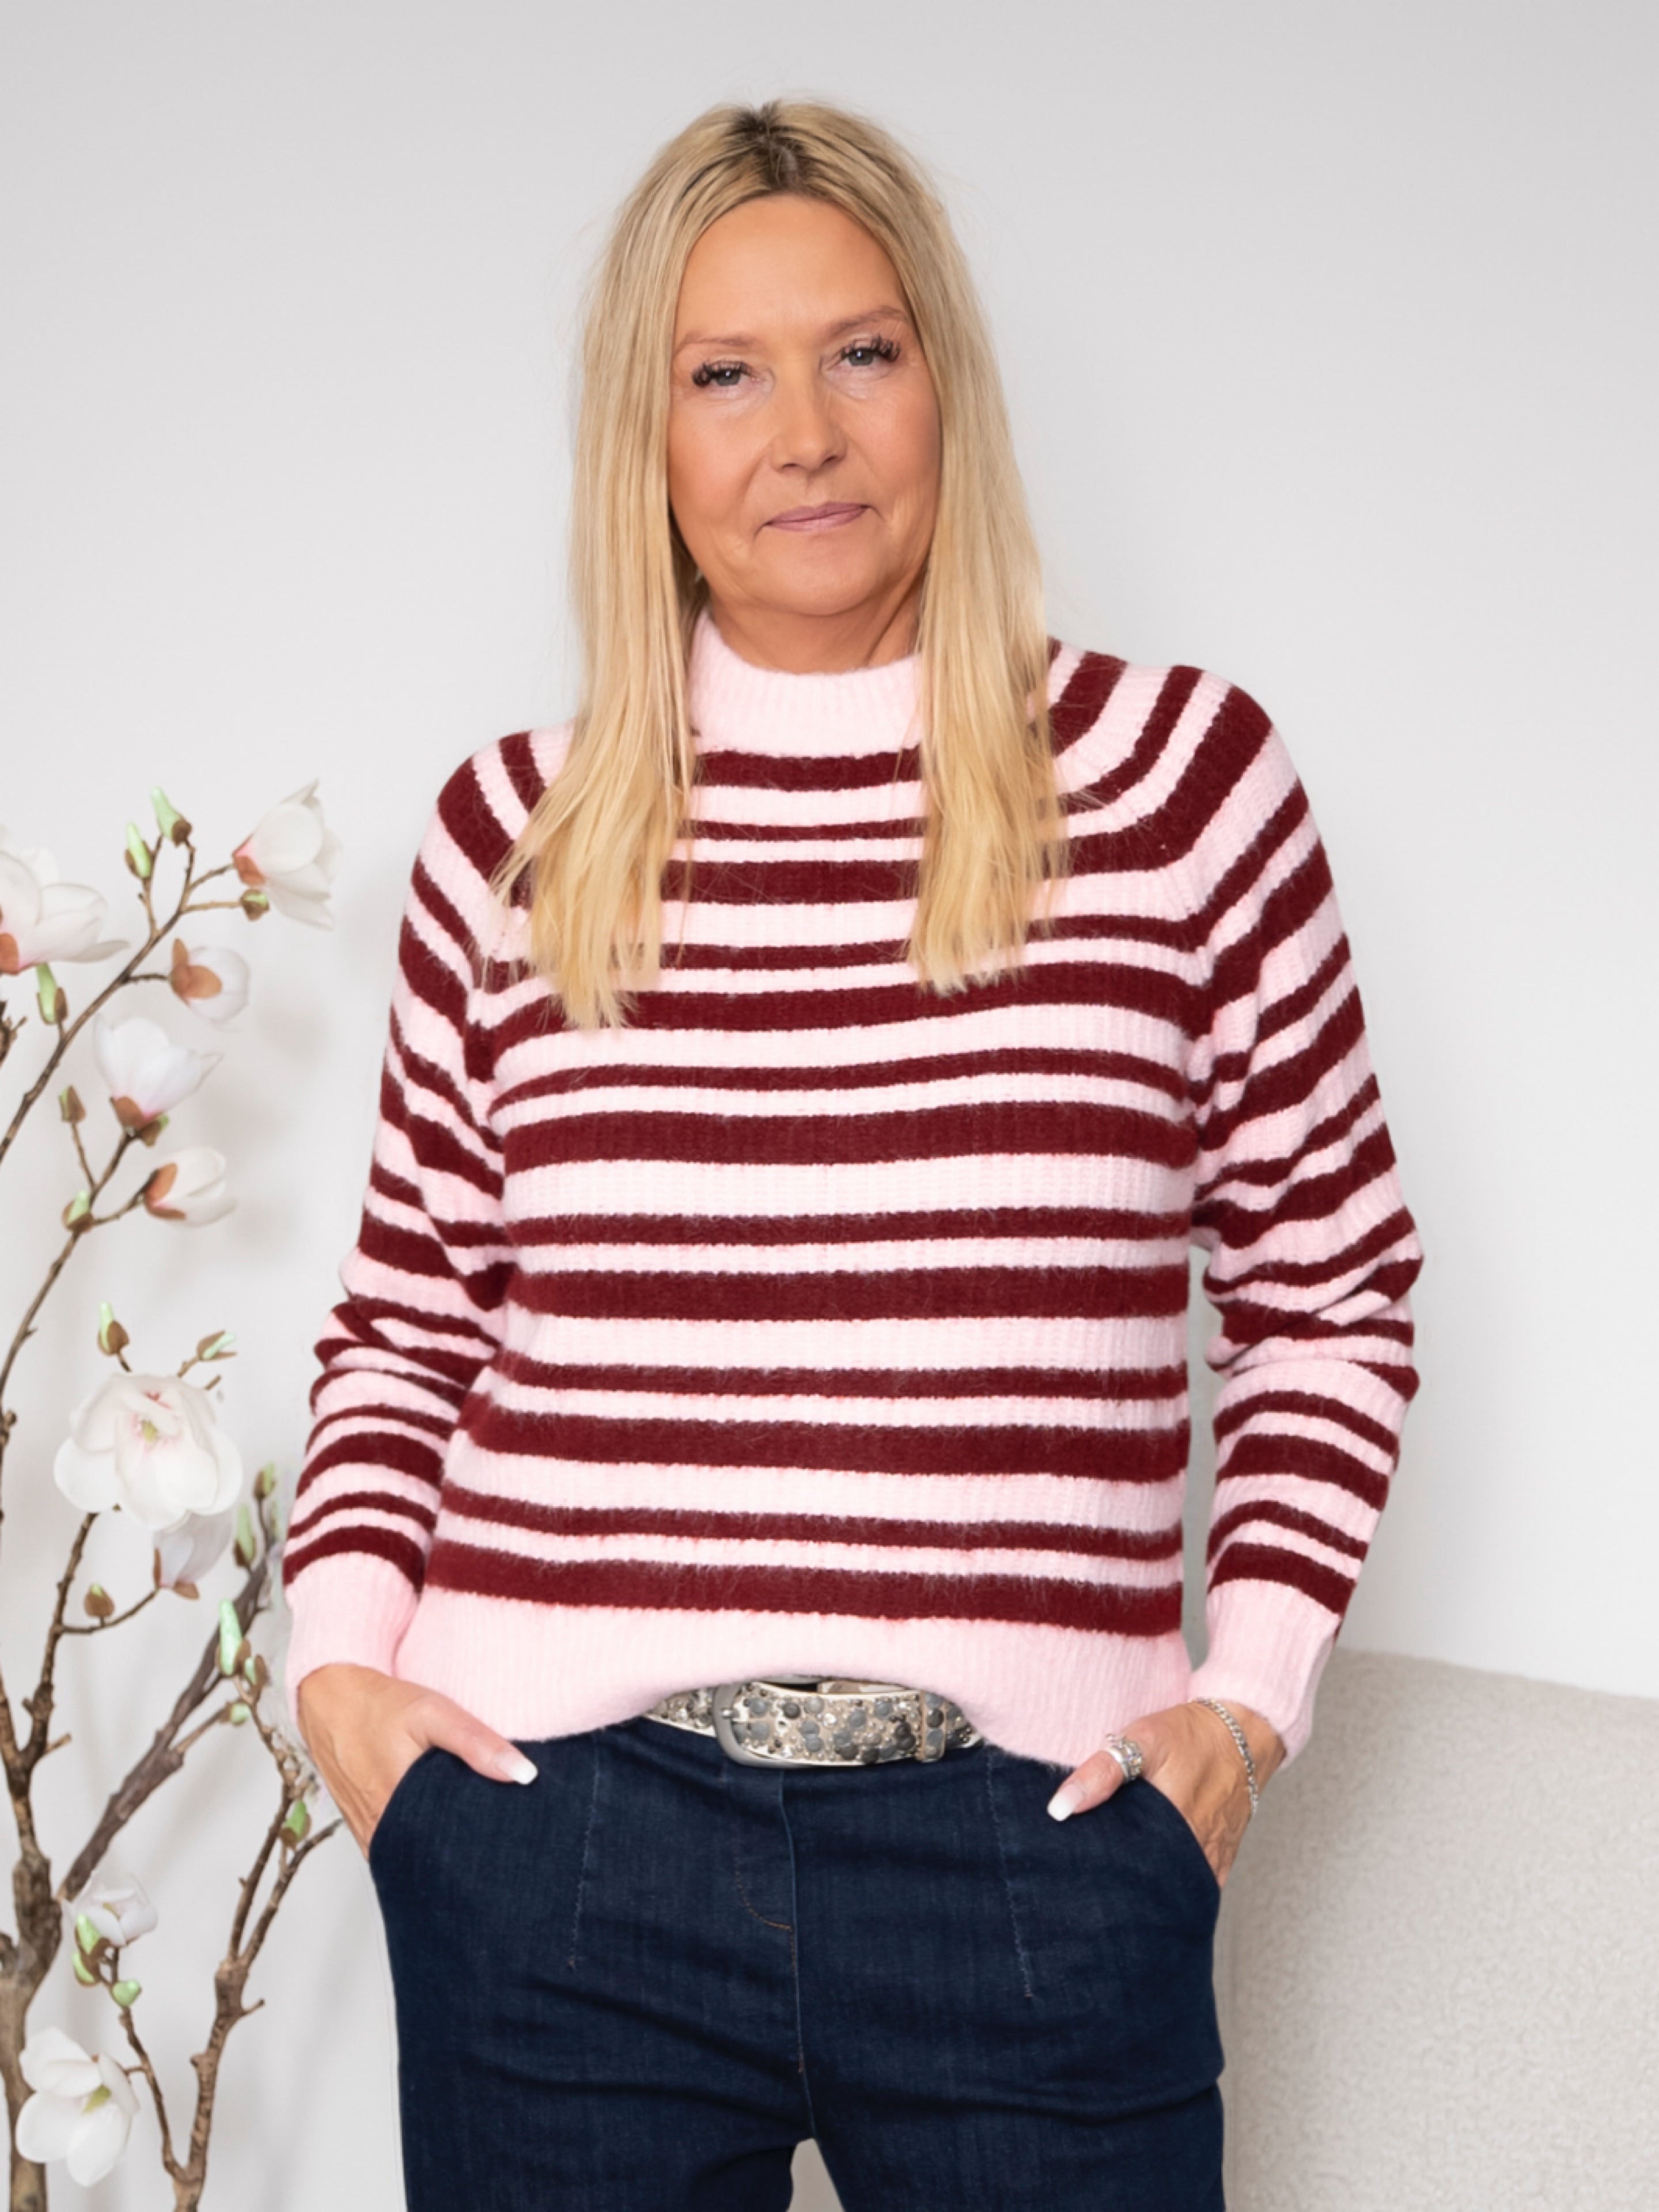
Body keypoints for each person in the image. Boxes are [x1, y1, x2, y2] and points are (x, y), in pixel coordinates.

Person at [283, 96, 1422, 2212]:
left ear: (944, 383)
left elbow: (1329, 1304)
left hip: (1038, 1853)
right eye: (725, 372)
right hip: (556, 1848)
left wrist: (1246, 1708)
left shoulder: (1179, 790)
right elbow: (409, 1325)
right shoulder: (517, 836)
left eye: (862, 352)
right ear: (645, 436)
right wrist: (340, 1673)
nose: (802, 434)